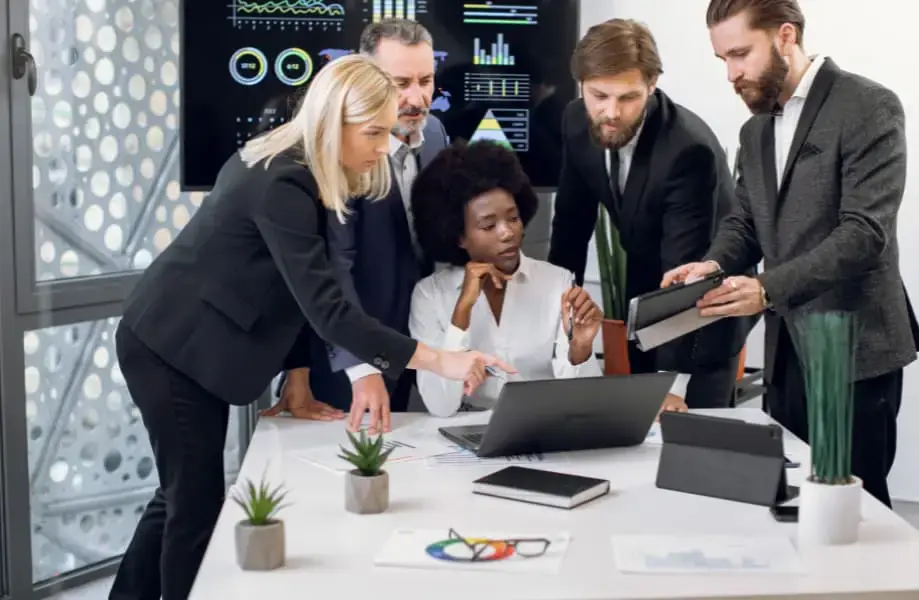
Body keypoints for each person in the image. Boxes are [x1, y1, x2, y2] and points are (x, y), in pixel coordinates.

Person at [108, 55, 512, 600]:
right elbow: (330, 309)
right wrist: (442, 358)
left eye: (387, 131)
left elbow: (294, 289)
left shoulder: (305, 165)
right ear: (331, 121)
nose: (381, 148)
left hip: (195, 341)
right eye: (372, 133)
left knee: (178, 495)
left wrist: (297, 375)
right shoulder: (282, 181)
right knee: (195, 504)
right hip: (171, 346)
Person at [663, 0, 919, 507]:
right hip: (786, 354)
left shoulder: (868, 105)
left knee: (856, 507)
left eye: (741, 54)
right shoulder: (755, 129)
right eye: (723, 60)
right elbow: (746, 222)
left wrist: (763, 289)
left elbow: (864, 232)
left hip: (851, 348)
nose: (731, 74)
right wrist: (714, 264)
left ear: (786, 36)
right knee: (790, 502)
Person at [547, 18, 753, 411]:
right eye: (599, 95)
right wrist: (558, 319)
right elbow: (570, 226)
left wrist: (671, 385)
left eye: (628, 97)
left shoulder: (687, 150)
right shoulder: (575, 120)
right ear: (581, 85)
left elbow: (683, 270)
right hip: (644, 296)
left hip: (704, 314)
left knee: (690, 446)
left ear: (652, 86)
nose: (611, 112)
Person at [267, 19, 451, 428]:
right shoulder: (341, 144)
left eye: (425, 80)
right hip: (342, 354)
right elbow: (331, 264)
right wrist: (358, 364)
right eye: (399, 83)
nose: (416, 97)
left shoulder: (436, 134)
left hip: (411, 344)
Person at [408, 141, 614, 417]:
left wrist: (581, 347)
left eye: (513, 218)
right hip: (464, 433)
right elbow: (440, 406)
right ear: (458, 236)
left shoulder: (557, 283)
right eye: (489, 226)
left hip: (542, 424)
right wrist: (462, 311)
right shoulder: (429, 295)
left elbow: (581, 400)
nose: (507, 233)